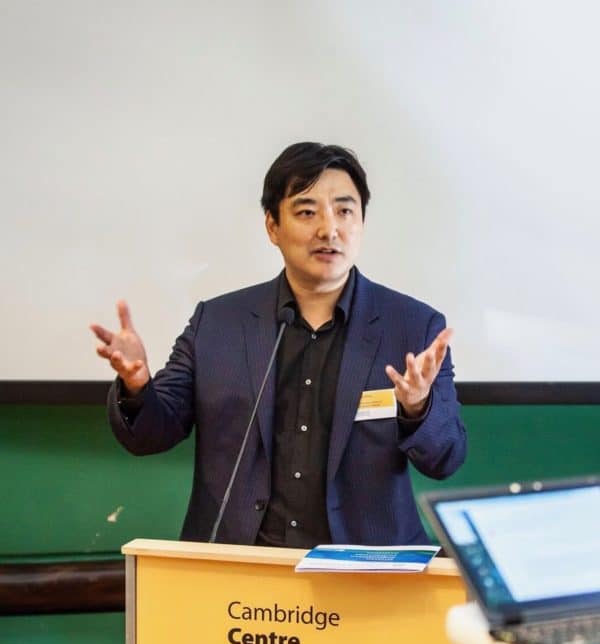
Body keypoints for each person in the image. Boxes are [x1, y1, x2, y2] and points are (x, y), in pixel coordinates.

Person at [91, 142, 466, 546]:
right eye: (307, 212)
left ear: (362, 222)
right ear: (272, 226)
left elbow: (445, 458)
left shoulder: (413, 327)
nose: (329, 230)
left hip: (365, 570)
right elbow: (151, 434)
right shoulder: (217, 323)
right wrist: (136, 387)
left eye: (344, 211)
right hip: (240, 567)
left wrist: (417, 408)